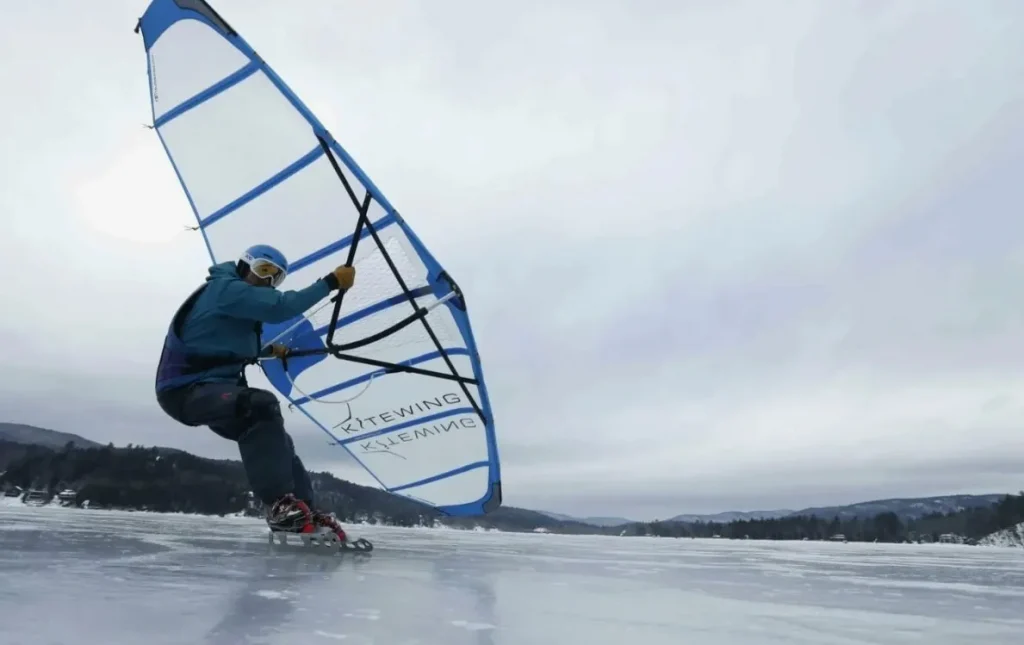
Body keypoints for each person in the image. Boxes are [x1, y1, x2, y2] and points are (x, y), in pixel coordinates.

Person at [154, 243, 354, 539]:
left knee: (277, 439)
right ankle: (279, 507)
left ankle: (304, 509)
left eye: (277, 278)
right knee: (260, 405)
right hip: (184, 392)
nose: (268, 282)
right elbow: (280, 307)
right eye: (264, 271)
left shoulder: (236, 305)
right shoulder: (225, 289)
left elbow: (220, 346)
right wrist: (331, 282)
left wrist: (268, 350)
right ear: (244, 266)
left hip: (213, 392)